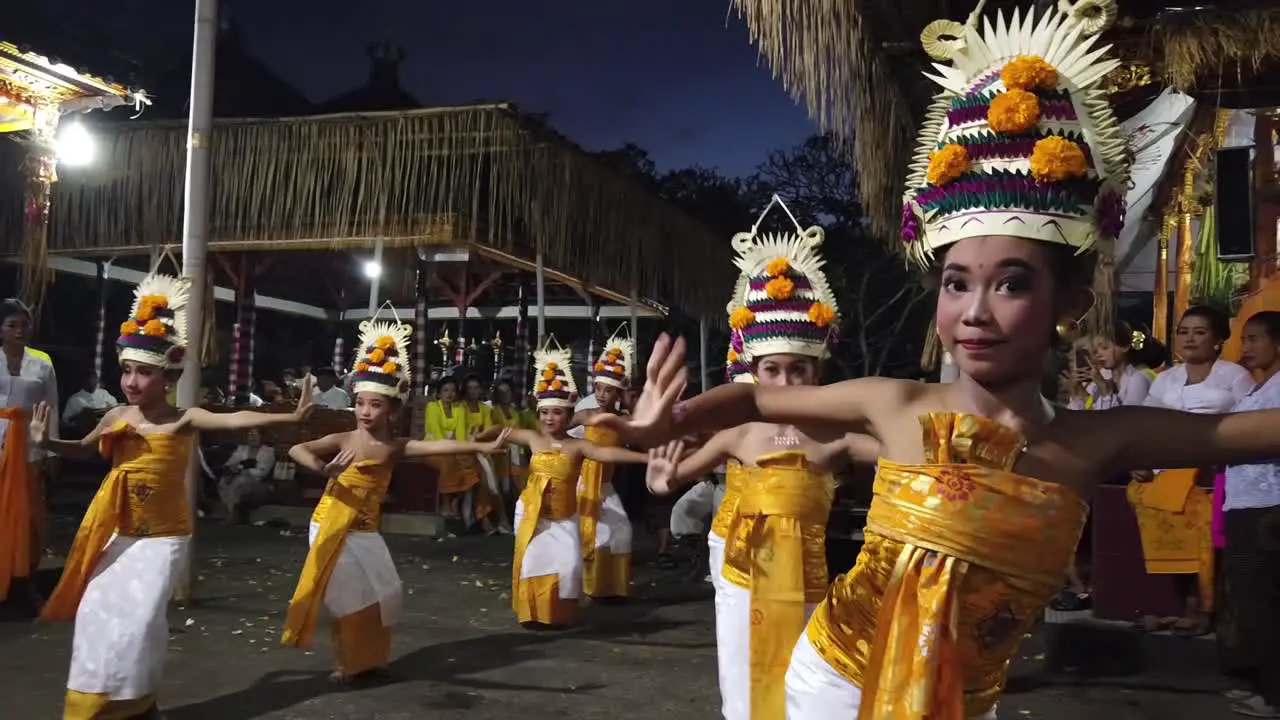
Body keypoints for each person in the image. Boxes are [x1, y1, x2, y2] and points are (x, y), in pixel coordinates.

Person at [595, 3, 1280, 716]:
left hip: (962, 697)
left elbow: (1234, 436)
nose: (976, 310)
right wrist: (662, 424)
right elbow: (751, 401)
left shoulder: (1096, 439)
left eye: (1012, 283)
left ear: (1070, 300)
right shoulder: (896, 404)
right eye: (958, 284)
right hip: (838, 682)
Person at [33, 273, 315, 719]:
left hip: (163, 538)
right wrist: (46, 442)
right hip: (120, 531)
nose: (131, 381)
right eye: (127, 370)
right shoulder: (115, 416)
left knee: (140, 622)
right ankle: (114, 703)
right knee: (96, 614)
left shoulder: (185, 418)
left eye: (144, 373)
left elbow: (237, 419)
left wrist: (289, 414)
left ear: (168, 376)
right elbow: (81, 451)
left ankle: (133, 701)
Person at [641, 202, 876, 719]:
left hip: (809, 578)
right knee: (745, 677)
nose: (786, 384)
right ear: (754, 370)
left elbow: (901, 463)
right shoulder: (739, 430)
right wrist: (662, 480)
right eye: (772, 370)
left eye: (799, 371)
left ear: (818, 374)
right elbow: (677, 474)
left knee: (805, 679)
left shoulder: (837, 435)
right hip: (742, 572)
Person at [283, 318, 507, 684]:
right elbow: (297, 448)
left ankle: (372, 657)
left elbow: (440, 445)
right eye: (360, 404)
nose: (365, 411)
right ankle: (348, 662)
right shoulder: (344, 439)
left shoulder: (394, 446)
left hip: (366, 529)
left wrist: (480, 445)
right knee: (347, 597)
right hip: (330, 524)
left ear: (392, 410)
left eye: (374, 405)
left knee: (388, 593)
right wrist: (323, 470)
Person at [488, 339, 646, 627]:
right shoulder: (534, 439)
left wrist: (647, 460)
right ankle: (534, 613)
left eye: (557, 412)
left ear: (568, 416)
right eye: (545, 412)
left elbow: (607, 452)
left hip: (567, 510)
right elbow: (505, 430)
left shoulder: (578, 445)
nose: (550, 418)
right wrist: (484, 435)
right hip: (535, 512)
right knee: (534, 563)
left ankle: (584, 597)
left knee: (572, 565)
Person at [1130, 304, 1253, 635]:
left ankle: (1206, 608)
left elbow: (1248, 421)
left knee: (1211, 539)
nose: (1189, 339)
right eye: (1183, 332)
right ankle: (1180, 603)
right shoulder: (1166, 379)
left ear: (1217, 340)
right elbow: (1146, 425)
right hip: (1169, 471)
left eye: (1199, 332)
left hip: (1215, 472)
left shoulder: (1233, 376)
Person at [1219, 311, 1280, 718]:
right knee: (1253, 603)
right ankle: (1265, 685)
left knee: (1262, 604)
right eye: (1246, 338)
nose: (1247, 347)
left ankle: (1274, 696)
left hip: (1264, 505)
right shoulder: (1260, 389)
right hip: (1247, 503)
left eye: (1256, 338)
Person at [0, 297, 58, 613]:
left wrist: (52, 448)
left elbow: (52, 408)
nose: (20, 331)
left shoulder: (42, 362)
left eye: (24, 325)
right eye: (12, 325)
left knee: (31, 520)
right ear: (1, 330)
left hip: (31, 446)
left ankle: (27, 585)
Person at [572, 327, 636, 600]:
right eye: (598, 388)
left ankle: (610, 586)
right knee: (591, 533)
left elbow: (648, 431)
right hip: (584, 481)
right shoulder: (587, 414)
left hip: (606, 483)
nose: (601, 394)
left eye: (608, 390)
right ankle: (588, 586)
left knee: (621, 529)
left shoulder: (625, 419)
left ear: (618, 394)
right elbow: (559, 428)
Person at [217, 428, 277, 524]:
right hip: (239, 481)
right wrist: (232, 469)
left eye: (255, 435)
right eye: (250, 435)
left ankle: (233, 515)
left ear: (262, 437)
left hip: (261, 486)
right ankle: (230, 512)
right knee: (223, 482)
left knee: (239, 481)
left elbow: (261, 473)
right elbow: (230, 464)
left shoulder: (268, 452)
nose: (252, 438)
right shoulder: (241, 449)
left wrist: (243, 471)